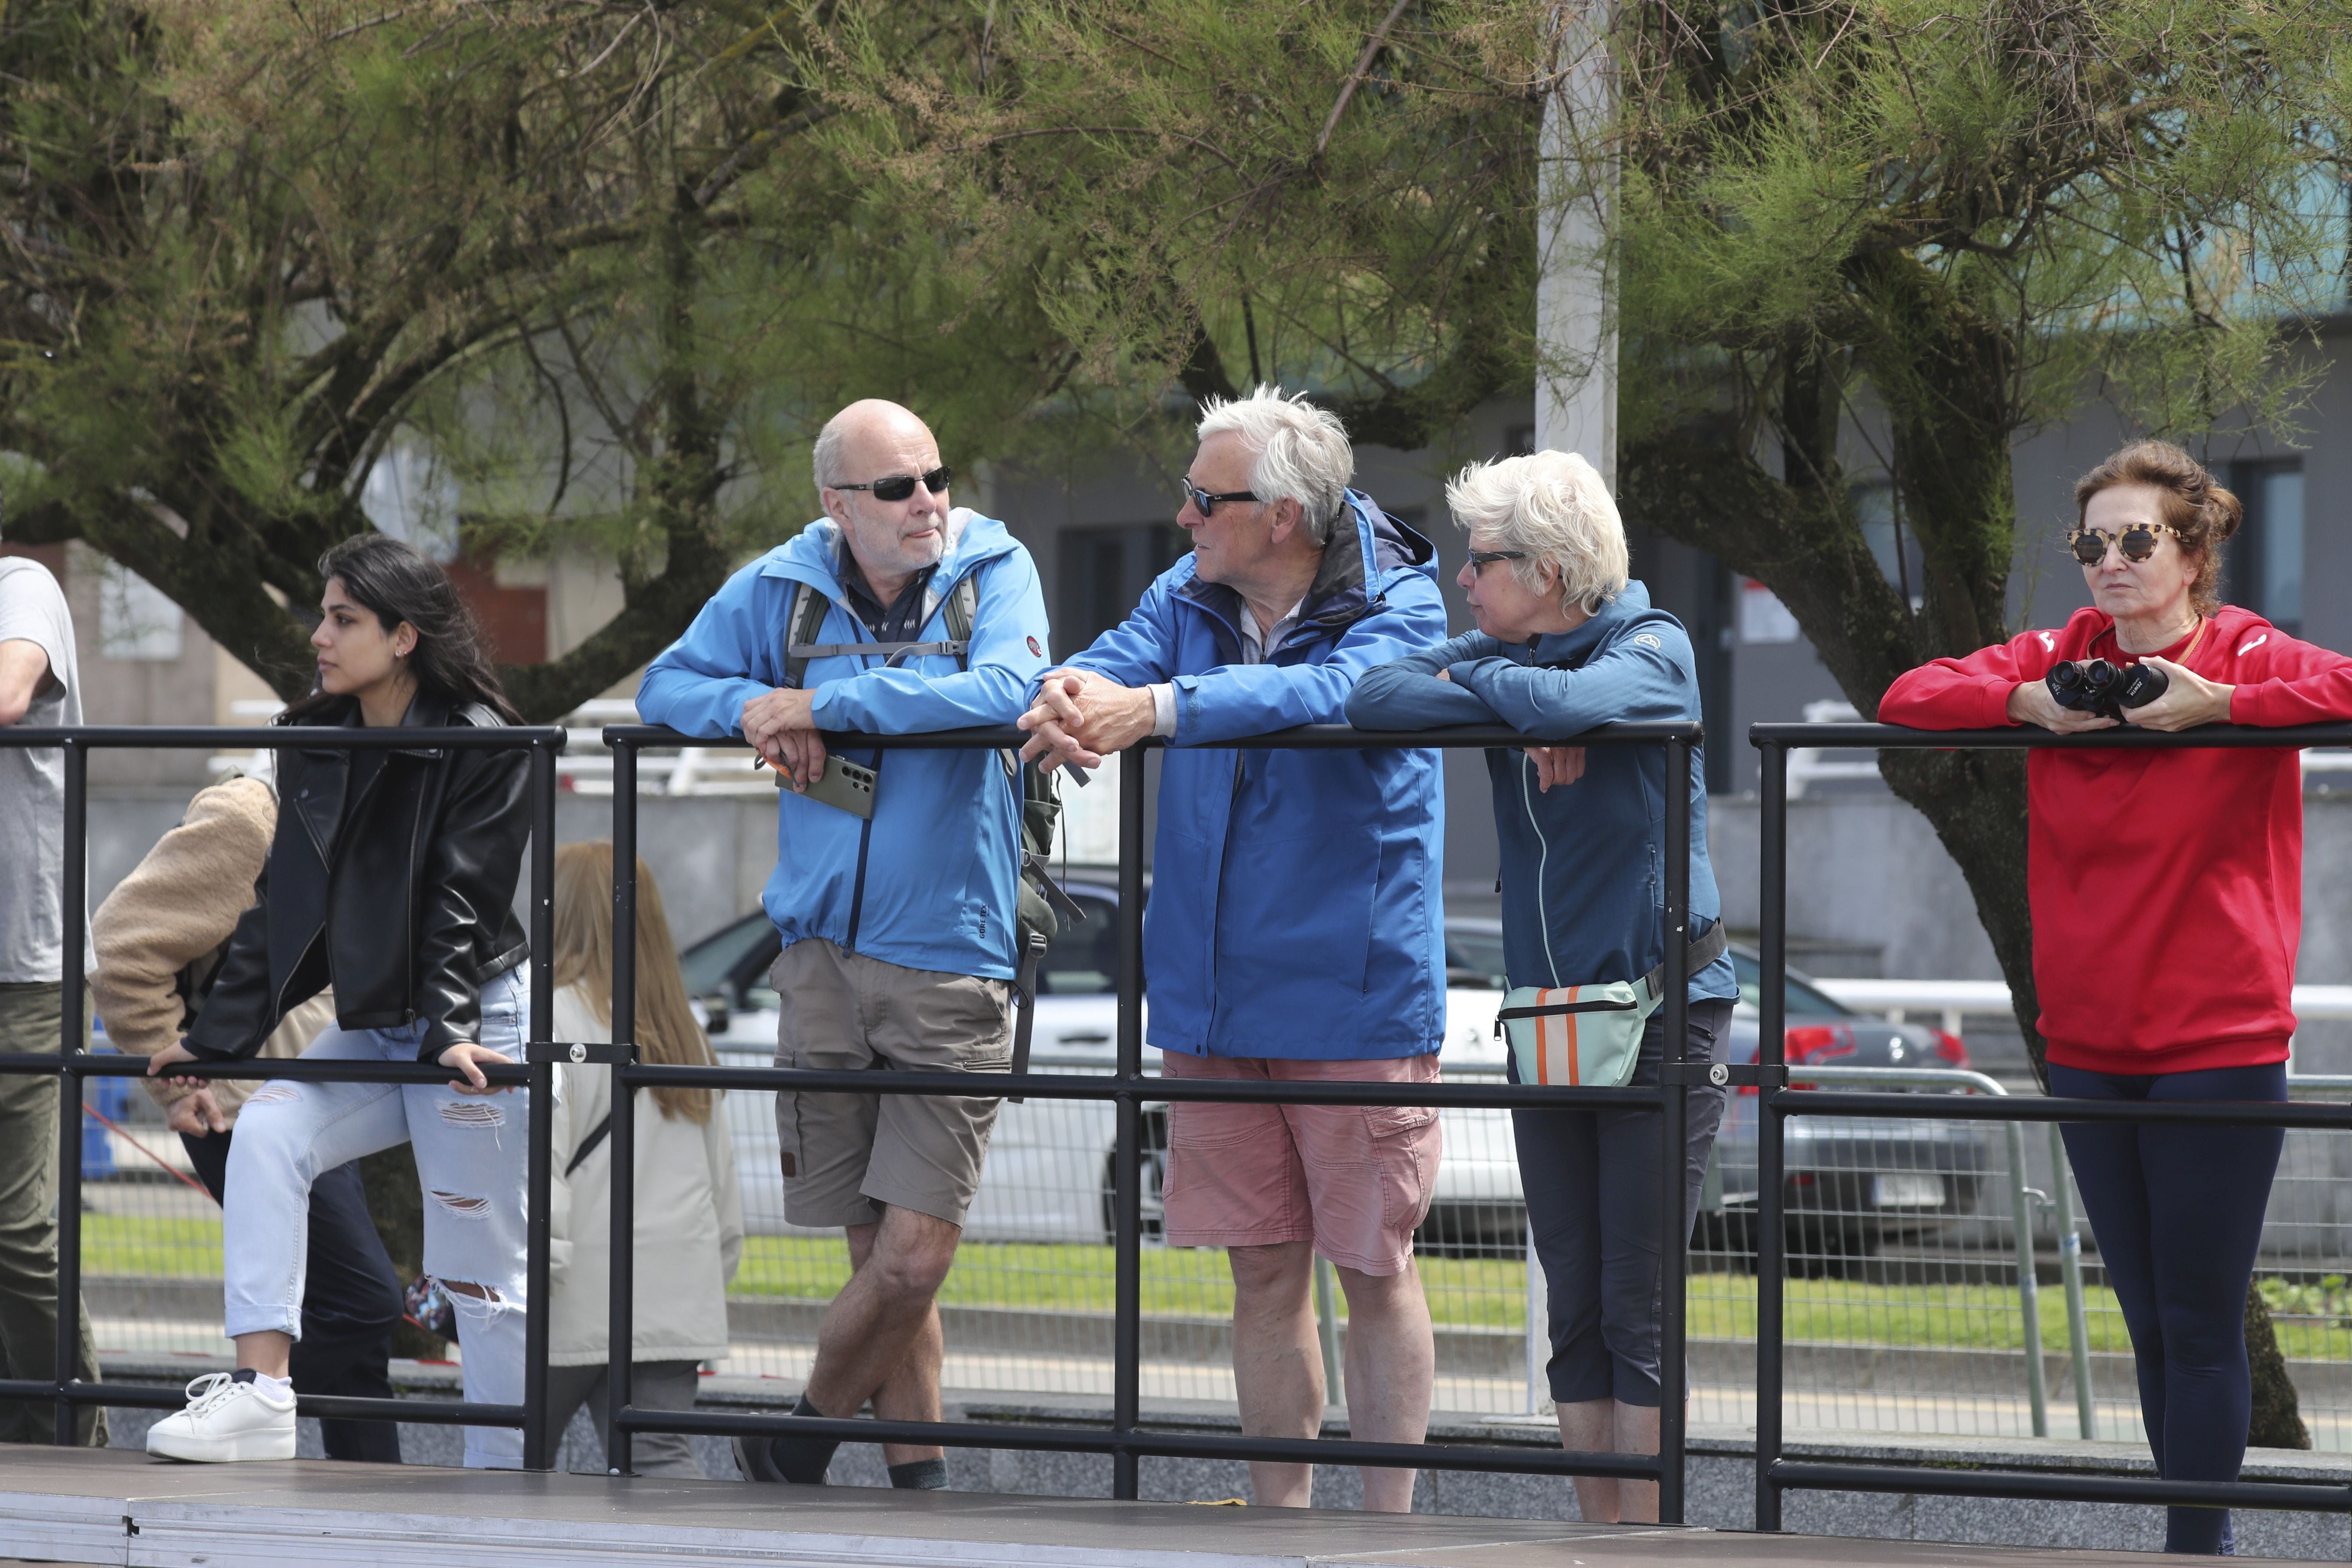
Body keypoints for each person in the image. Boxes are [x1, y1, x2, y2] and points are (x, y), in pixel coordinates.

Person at [1880, 439, 2352, 1555]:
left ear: (2193, 552)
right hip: (2088, 1036)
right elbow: (1908, 694)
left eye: (2137, 539)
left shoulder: (2243, 652)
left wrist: (2222, 709)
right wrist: (2026, 703)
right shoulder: (2067, 655)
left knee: (2198, 1320)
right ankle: (2188, 1537)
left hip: (2218, 1039)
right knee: (2147, 1321)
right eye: (2093, 542)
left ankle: (2200, 1547)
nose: (2111, 561)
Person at [1018, 385, 1449, 1513]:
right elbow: (1109, 662)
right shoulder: (1192, 588)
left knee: (1371, 1266)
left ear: (1286, 517)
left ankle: (1389, 1535)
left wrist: (1154, 710)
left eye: (1206, 500)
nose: (1182, 519)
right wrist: (1064, 688)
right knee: (1262, 1270)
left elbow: (1338, 693)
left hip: (1351, 996)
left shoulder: (1401, 600)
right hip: (1210, 996)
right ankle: (1277, 1522)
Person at [637, 398, 1050, 1491]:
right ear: (836, 506)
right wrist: (757, 711)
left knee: (918, 1253)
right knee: (874, 1255)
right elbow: (667, 687)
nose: (927, 503)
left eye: (935, 476)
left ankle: (796, 1436)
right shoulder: (779, 584)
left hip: (952, 953)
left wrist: (825, 704)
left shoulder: (993, 569)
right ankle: (919, 1479)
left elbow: (1004, 692)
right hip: (816, 953)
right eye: (896, 488)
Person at [1346, 450, 1738, 1524]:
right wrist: (1531, 702)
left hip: (1663, 1010)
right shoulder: (1502, 652)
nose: (1462, 585)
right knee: (1572, 1288)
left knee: (1635, 1298)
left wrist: (1543, 705)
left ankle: (1647, 1541)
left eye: (1483, 564)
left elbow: (1597, 700)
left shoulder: (1657, 644)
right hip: (1549, 1018)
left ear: (1553, 571)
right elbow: (1374, 698)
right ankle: (1597, 1537)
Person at [141, 533, 536, 1467]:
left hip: (474, 1021)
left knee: (480, 1278)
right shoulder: (313, 739)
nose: (320, 636)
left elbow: (458, 897)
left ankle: (505, 1485)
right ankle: (262, 1395)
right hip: (382, 1027)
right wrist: (215, 1043)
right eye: (324, 615)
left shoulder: (481, 738)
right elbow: (284, 912)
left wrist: (448, 1031)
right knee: (268, 1129)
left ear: (403, 636)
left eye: (342, 619)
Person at [91, 774, 403, 1463]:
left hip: (312, 1104)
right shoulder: (249, 818)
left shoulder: (362, 820)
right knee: (364, 1301)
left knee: (359, 1345)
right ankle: (230, 1411)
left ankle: (372, 1507)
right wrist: (176, 1080)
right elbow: (120, 942)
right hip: (240, 1109)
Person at [545, 840, 742, 1479]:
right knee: (662, 1461)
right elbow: (723, 1192)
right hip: (673, 1292)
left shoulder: (548, 1020)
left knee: (512, 1466)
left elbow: (537, 1169)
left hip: (565, 1293)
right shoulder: (687, 1033)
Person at [0, 515, 105, 1448]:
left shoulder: (21, 585)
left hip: (21, 968)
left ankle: (68, 1433)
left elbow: (8, 691)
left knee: (14, 1220)